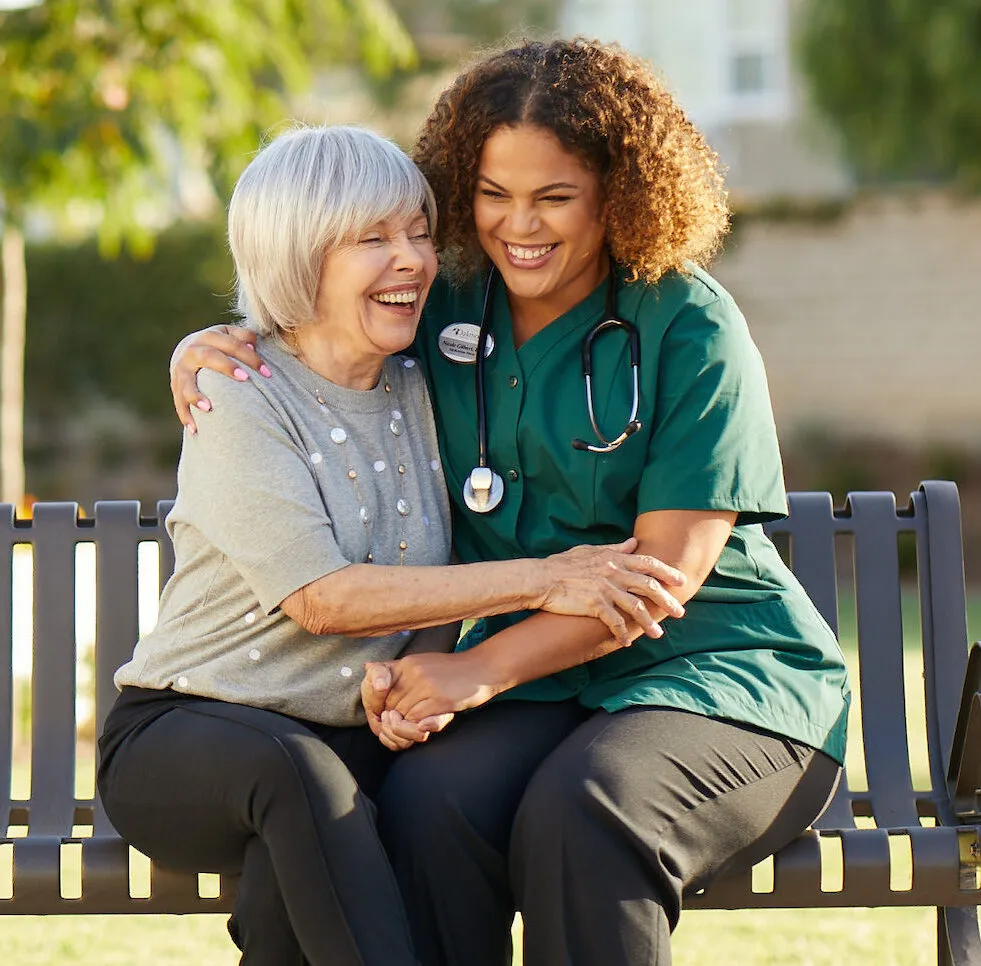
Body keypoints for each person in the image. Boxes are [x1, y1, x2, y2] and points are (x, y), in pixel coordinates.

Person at [169, 39, 850, 966]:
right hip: (542, 685)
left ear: (618, 193)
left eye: (553, 198)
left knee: (588, 810)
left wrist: (472, 674)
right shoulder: (442, 305)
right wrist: (210, 345)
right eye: (492, 195)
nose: (517, 226)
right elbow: (318, 329)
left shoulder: (689, 326)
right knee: (426, 804)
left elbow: (659, 581)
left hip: (715, 678)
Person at [98, 122, 687, 966]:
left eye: (417, 230)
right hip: (188, 734)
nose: (411, 259)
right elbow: (323, 597)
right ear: (297, 255)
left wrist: (424, 668)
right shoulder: (241, 394)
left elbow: (440, 553)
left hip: (340, 745)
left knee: (301, 879)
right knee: (301, 779)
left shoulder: (426, 385)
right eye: (372, 238)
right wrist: (542, 580)